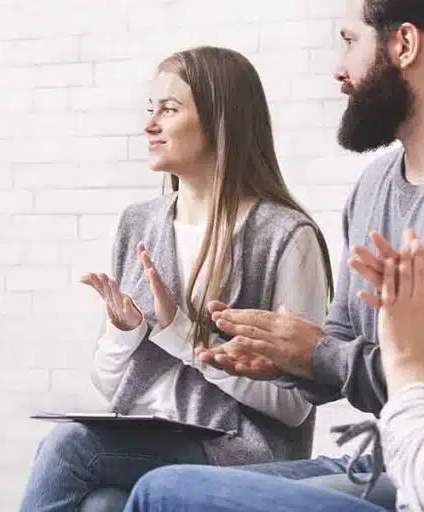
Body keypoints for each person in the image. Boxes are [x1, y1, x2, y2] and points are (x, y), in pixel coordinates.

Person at [18, 46, 334, 512]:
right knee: (101, 504)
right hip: (148, 437)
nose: (150, 125)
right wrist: (127, 335)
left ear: (221, 120)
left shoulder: (285, 236)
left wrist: (181, 337)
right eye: (151, 109)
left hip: (241, 451)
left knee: (68, 447)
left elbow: (294, 406)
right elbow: (112, 386)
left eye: (169, 109)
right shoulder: (138, 224)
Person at [192, 0, 424, 501]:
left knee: (167, 492)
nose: (339, 69)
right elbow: (340, 345)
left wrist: (320, 355)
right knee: (114, 500)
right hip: (380, 454)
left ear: (404, 44)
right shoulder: (372, 186)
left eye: (350, 41)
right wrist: (285, 357)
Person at [124, 240, 424, 512]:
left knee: (156, 489)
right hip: (400, 453)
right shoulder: (373, 185)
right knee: (104, 501)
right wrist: (292, 362)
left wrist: (404, 360)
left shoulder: (285, 233)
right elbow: (333, 355)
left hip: (421, 473)